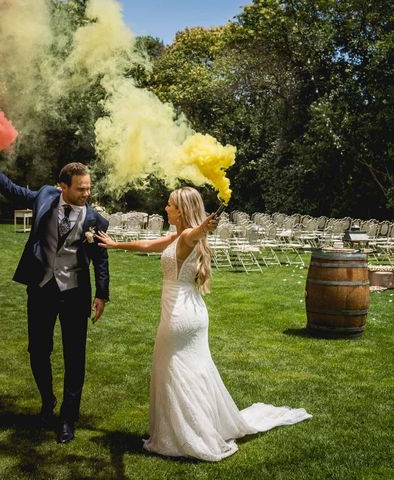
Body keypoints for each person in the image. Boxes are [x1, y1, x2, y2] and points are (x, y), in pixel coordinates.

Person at [95, 186, 310, 461]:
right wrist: (117, 245)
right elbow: (149, 245)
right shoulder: (177, 237)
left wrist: (205, 226)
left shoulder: (187, 236)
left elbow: (196, 233)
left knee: (173, 372)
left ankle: (184, 437)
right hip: (193, 313)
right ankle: (197, 428)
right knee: (194, 372)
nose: (166, 208)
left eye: (170, 205)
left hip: (178, 316)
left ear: (182, 210)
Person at [0, 140, 110, 444]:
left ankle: (68, 419)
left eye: (88, 189)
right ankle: (47, 400)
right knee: (38, 352)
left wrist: (101, 294)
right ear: (63, 186)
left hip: (74, 294)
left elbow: (101, 258)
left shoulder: (94, 219)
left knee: (75, 356)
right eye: (81, 189)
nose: (87, 194)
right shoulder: (45, 197)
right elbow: (11, 189)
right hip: (42, 290)